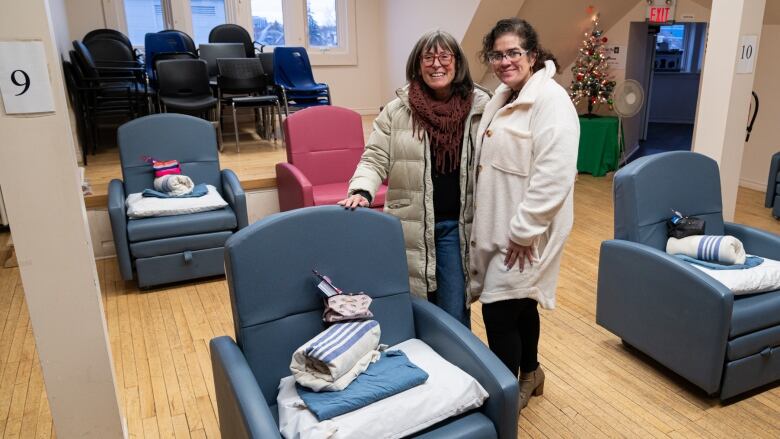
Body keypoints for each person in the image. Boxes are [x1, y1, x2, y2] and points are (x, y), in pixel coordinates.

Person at [338, 30, 490, 327]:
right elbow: (375, 157)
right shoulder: (398, 110)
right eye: (428, 57)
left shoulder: (481, 107)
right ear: (417, 65)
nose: (437, 64)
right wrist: (362, 190)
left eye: (445, 56)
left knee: (454, 312)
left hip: (456, 227)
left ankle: (459, 369)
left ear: (457, 63)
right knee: (417, 307)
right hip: (411, 224)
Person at [470, 18, 579, 410]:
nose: (504, 61)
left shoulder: (551, 101)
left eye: (513, 52)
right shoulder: (504, 96)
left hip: (526, 234)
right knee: (521, 304)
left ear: (532, 55)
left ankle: (503, 394)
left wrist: (524, 230)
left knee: (498, 311)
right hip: (502, 227)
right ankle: (532, 371)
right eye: (497, 54)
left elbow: (555, 174)